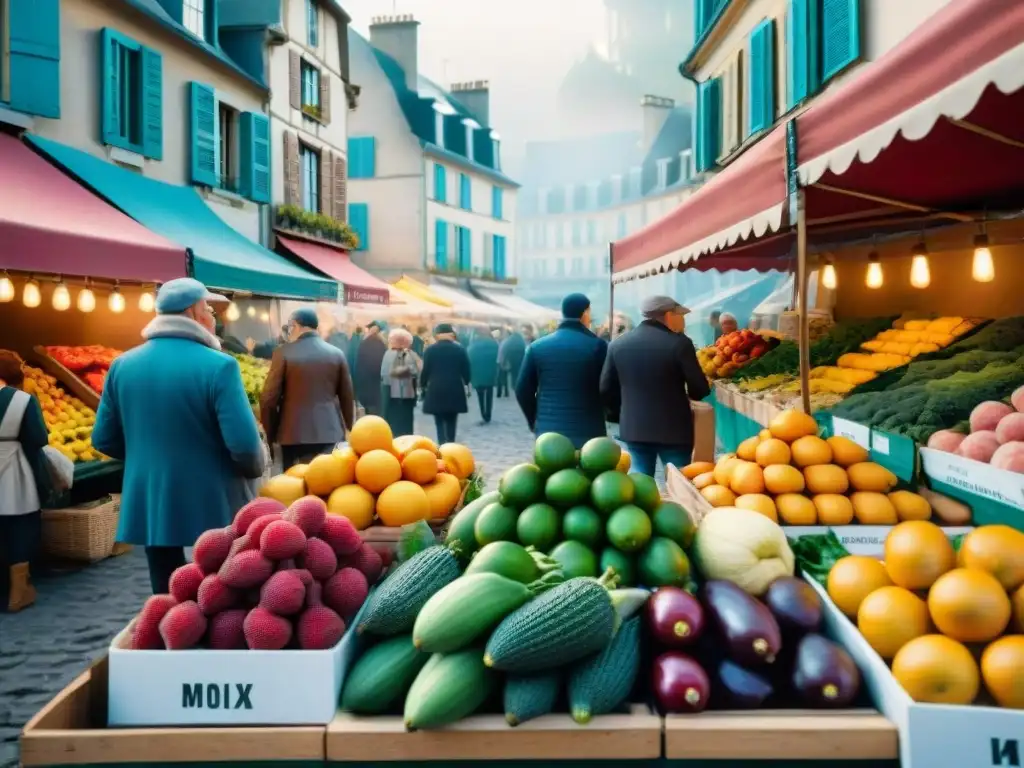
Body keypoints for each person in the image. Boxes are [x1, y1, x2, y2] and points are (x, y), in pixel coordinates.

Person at [92, 278, 265, 595]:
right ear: (195, 311)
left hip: (151, 496)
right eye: (210, 308)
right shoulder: (220, 366)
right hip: (214, 497)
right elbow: (243, 445)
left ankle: (169, 639)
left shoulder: (121, 365)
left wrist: (147, 457)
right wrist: (256, 468)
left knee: (167, 591)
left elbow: (103, 439)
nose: (213, 315)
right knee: (223, 588)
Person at [601, 295, 711, 480]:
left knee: (640, 481)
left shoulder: (618, 344)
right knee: (678, 483)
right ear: (668, 315)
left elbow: (605, 388)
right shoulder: (680, 343)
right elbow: (698, 389)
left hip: (634, 427)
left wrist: (619, 414)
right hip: (674, 430)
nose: (683, 320)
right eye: (680, 315)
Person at [260, 307, 355, 469]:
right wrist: (349, 428)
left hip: (292, 434)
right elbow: (347, 396)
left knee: (296, 487)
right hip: (330, 432)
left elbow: (268, 399)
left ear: (295, 325)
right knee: (327, 485)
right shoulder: (336, 353)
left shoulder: (283, 352)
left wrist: (270, 434)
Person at [515, 293, 608, 449]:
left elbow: (522, 390)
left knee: (552, 471)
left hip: (548, 431)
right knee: (590, 469)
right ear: (585, 313)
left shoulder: (537, 347)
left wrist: (534, 420)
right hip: (589, 430)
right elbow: (607, 386)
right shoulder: (597, 346)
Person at [0, 351, 53, 612]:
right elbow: (39, 437)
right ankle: (18, 592)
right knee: (20, 525)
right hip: (12, 467)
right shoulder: (22, 401)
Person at [420, 323, 471, 444]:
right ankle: (451, 443)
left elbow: (425, 370)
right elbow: (466, 371)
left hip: (436, 388)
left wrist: (422, 385)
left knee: (438, 419)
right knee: (452, 419)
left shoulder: (430, 350)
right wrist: (466, 381)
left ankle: (442, 443)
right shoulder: (459, 349)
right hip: (454, 387)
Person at [379, 328, 421, 437]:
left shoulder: (387, 353)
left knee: (391, 425)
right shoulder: (405, 355)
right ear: (404, 342)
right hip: (402, 397)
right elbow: (414, 372)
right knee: (403, 428)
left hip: (388, 395)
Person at [354, 321, 387, 416]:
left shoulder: (363, 342)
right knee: (376, 413)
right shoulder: (380, 344)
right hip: (376, 386)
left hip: (364, 385)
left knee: (369, 411)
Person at [468, 329, 500, 424]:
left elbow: (469, 359)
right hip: (490, 373)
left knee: (480, 395)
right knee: (489, 394)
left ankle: (483, 413)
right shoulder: (494, 344)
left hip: (477, 374)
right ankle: (488, 414)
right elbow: (498, 358)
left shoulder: (473, 346)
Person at [497, 326, 526, 398]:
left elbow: (505, 350)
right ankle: (517, 387)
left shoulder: (508, 341)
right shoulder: (521, 340)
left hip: (510, 359)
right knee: (517, 374)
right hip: (520, 360)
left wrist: (503, 361)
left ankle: (510, 388)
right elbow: (524, 350)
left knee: (509, 375)